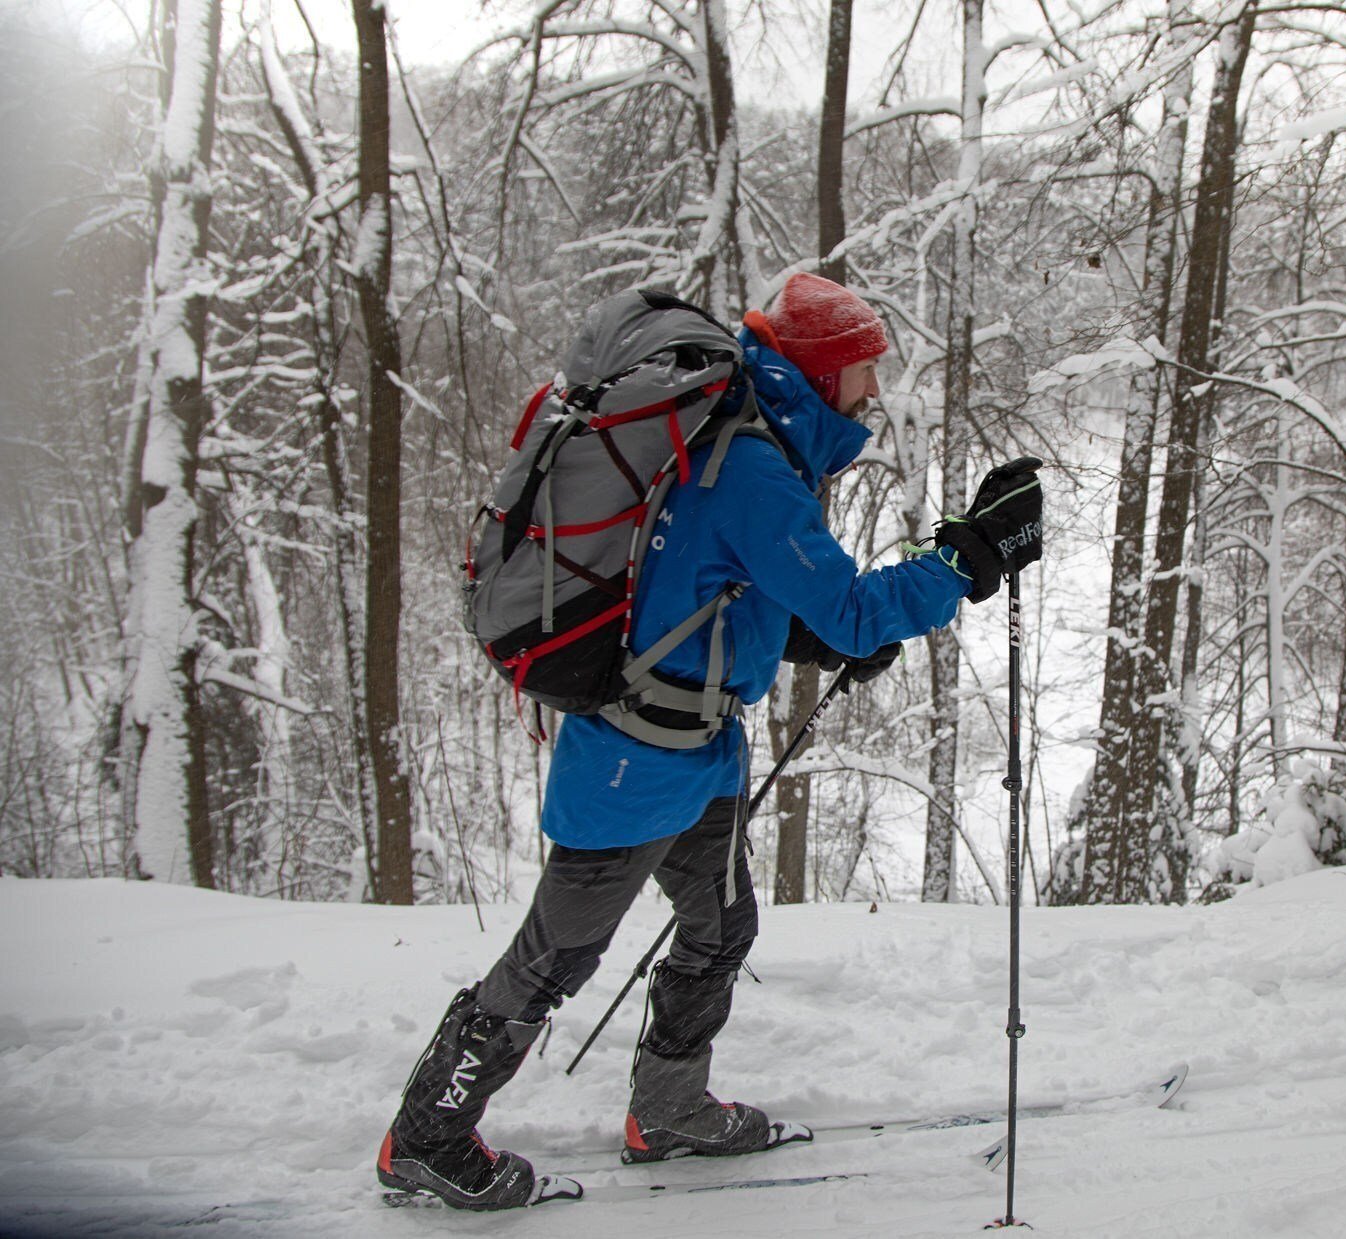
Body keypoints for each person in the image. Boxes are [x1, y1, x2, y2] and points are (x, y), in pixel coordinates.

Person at [375, 272, 1044, 1209]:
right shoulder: (753, 467)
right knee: (555, 956)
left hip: (700, 751)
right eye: (861, 373)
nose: (873, 394)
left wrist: (799, 632)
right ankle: (428, 1135)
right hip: (634, 765)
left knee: (722, 925)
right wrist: (966, 558)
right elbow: (851, 609)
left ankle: (670, 1110)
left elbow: (710, 578)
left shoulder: (752, 446)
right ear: (817, 373)